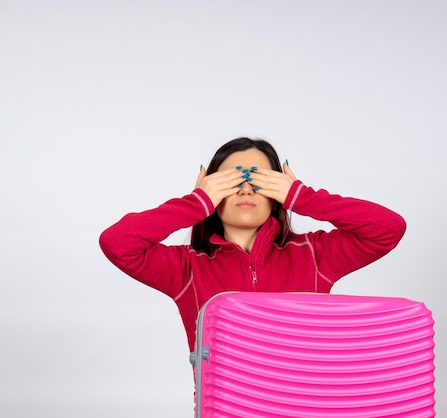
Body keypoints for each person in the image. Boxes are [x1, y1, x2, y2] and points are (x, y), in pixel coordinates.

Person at [99, 137, 406, 353]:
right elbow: (117, 243)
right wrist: (195, 203)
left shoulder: (314, 256)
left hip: (304, 406)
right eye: (232, 181)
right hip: (224, 407)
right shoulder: (187, 268)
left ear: (277, 195)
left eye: (259, 181)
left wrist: (303, 197)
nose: (246, 189)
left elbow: (388, 228)